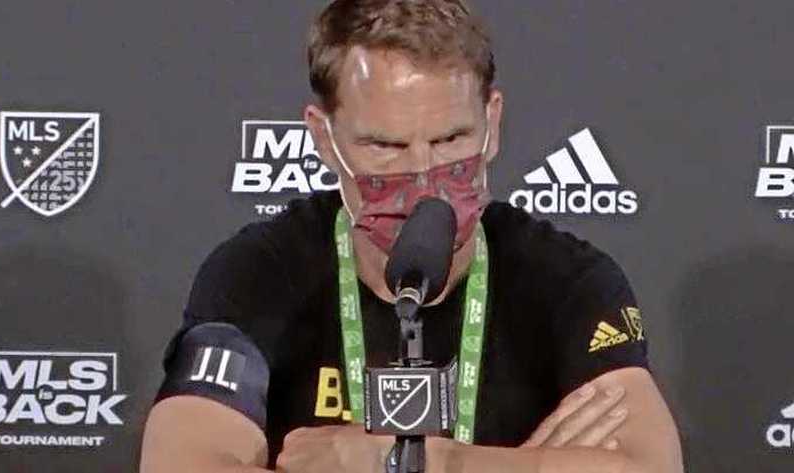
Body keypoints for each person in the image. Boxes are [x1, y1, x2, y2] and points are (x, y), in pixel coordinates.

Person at [139, 1, 683, 472]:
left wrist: (418, 461)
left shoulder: (566, 278)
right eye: (386, 147)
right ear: (324, 139)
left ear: (492, 124)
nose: (424, 181)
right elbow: (181, 463)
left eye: (450, 141)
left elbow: (650, 466)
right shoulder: (260, 271)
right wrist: (527, 463)